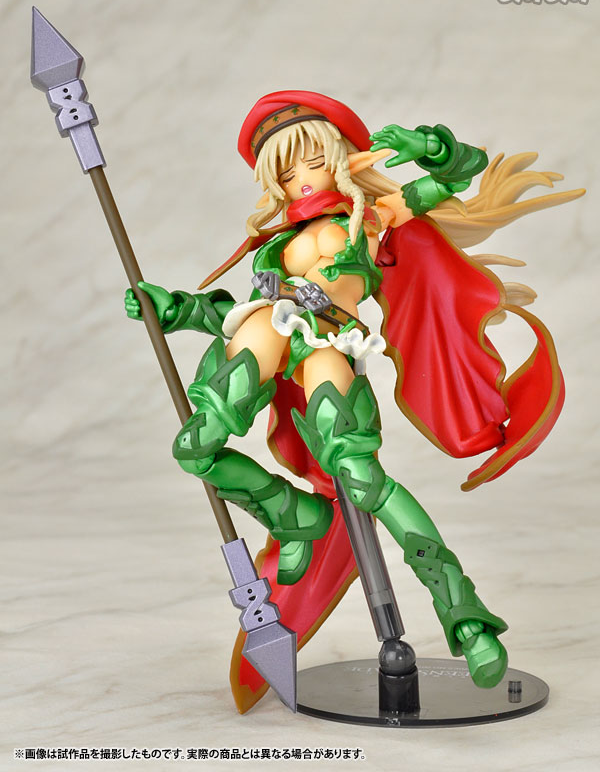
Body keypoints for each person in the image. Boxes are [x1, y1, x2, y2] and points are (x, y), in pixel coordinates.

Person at [125, 90, 582, 709]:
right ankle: (294, 517)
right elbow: (236, 310)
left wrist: (433, 148)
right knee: (195, 446)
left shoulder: (371, 218)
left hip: (329, 344)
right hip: (265, 333)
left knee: (363, 481)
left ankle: (466, 615)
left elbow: (455, 174)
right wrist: (176, 308)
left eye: (312, 160)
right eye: (285, 167)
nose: (300, 176)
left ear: (338, 159)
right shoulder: (273, 244)